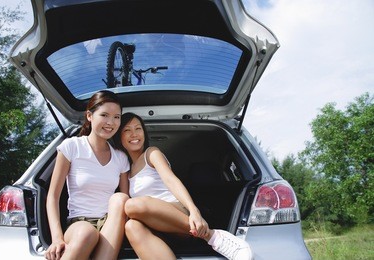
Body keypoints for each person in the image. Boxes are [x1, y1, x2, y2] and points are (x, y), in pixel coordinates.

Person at [114, 112, 253, 260]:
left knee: (132, 205)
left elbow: (171, 180)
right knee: (131, 226)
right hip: (156, 229)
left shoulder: (151, 153)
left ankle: (211, 235)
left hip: (177, 215)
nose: (134, 134)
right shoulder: (126, 171)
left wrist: (194, 211)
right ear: (119, 137)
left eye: (138, 128)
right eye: (127, 130)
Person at [45, 90, 130, 260]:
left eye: (116, 117)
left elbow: (126, 201)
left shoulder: (120, 157)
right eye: (104, 115)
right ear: (89, 116)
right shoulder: (72, 146)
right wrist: (57, 239)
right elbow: (53, 197)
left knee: (121, 198)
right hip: (80, 224)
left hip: (110, 225)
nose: (110, 122)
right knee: (87, 233)